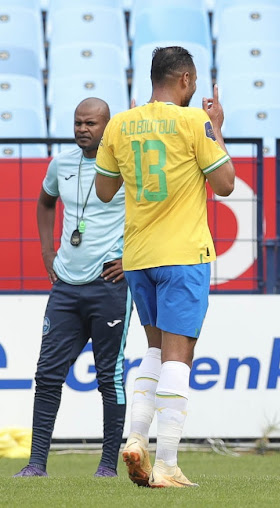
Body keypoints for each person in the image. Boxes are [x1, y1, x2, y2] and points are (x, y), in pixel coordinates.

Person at [94, 46, 235, 488]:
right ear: (187, 81)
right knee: (179, 356)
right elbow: (226, 185)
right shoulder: (195, 122)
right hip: (183, 256)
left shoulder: (121, 123)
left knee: (154, 351)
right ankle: (168, 464)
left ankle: (136, 438)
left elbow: (103, 189)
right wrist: (217, 129)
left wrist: (132, 140)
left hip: (138, 258)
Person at [14, 98, 131, 478]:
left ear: (108, 127)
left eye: (91, 123)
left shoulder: (127, 164)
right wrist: (47, 250)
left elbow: (154, 212)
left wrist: (131, 259)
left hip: (109, 285)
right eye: (78, 123)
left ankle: (108, 466)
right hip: (65, 285)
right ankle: (35, 465)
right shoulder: (60, 163)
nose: (83, 129)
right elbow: (45, 202)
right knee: (47, 374)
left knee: (108, 377)